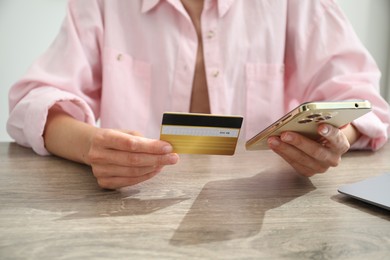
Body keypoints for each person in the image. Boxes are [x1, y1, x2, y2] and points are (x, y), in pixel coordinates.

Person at [7, 0, 390, 190]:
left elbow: (362, 102)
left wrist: (333, 140)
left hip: (263, 210)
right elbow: (32, 103)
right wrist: (92, 146)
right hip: (130, 207)